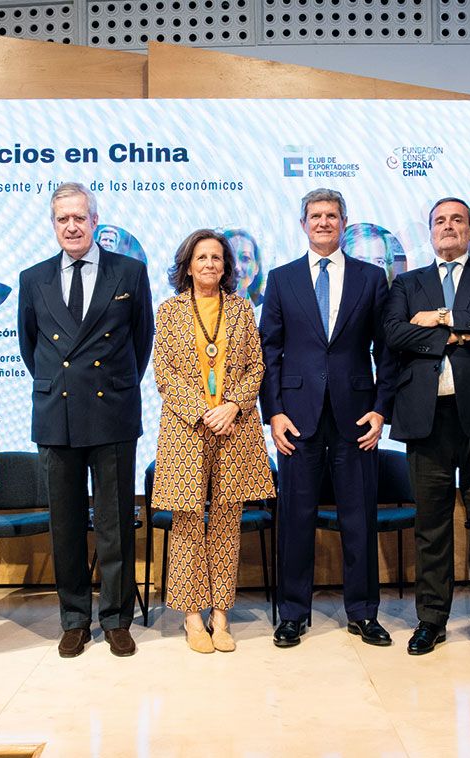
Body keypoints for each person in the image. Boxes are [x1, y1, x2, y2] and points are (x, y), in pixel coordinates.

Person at [18, 182, 154, 658]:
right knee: (67, 523)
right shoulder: (32, 277)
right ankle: (74, 619)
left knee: (116, 521)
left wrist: (116, 386)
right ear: (53, 224)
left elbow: (142, 342)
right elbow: (30, 346)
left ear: (94, 220)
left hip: (112, 411)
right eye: (62, 219)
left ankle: (116, 618)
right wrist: (60, 386)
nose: (71, 226)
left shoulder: (130, 272)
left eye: (80, 217)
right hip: (57, 413)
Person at [383, 197, 470, 662]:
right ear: (430, 231)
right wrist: (463, 333)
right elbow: (395, 334)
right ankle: (431, 620)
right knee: (432, 528)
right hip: (427, 419)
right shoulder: (407, 283)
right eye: (440, 221)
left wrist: (441, 319)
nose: (448, 227)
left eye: (457, 220)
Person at [259, 188, 396, 648]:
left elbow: (387, 350)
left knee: (359, 517)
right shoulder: (281, 279)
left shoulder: (372, 278)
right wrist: (273, 413)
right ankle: (293, 614)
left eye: (331, 215)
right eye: (315, 216)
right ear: (303, 223)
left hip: (356, 417)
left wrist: (381, 408)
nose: (323, 222)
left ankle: (363, 612)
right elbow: (269, 352)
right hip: (296, 420)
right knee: (295, 519)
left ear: (344, 222)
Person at [151, 229, 275, 653]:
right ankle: (191, 617)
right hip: (186, 429)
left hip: (234, 429)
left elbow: (255, 367)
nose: (209, 264)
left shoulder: (242, 310)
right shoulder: (168, 312)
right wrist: (204, 412)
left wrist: (232, 408)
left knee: (226, 524)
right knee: (187, 523)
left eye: (217, 258)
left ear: (226, 267)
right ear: (187, 265)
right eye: (201, 257)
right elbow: (164, 374)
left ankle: (221, 617)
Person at [222, 228, 264, 306]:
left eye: (245, 258)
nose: (236, 267)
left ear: (256, 267)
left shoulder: (268, 307)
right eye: (228, 258)